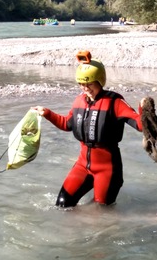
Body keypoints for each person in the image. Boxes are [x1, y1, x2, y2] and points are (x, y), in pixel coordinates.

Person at [32, 51, 144, 207]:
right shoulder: (79, 101)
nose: (85, 88)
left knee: (100, 213)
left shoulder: (114, 102)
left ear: (100, 80)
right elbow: (67, 124)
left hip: (107, 170)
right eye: (81, 84)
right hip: (82, 165)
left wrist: (145, 113)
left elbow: (139, 124)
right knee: (62, 205)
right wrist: (47, 113)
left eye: (89, 83)